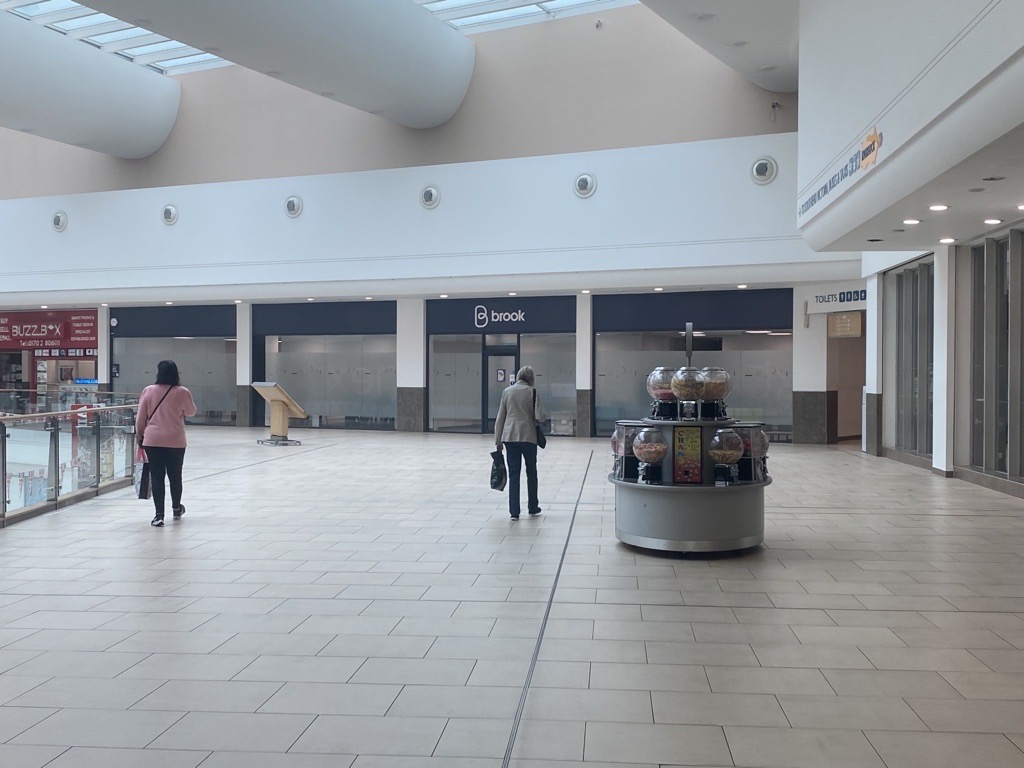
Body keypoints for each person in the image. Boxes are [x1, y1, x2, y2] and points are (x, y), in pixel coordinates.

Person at [135, 360, 197, 527]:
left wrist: (139, 435)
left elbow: (141, 418)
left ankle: (159, 515)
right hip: (175, 440)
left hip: (153, 440)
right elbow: (191, 412)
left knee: (157, 477)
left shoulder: (149, 390)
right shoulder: (182, 392)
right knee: (175, 476)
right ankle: (176, 508)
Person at [494, 365, 544, 520]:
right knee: (531, 472)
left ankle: (514, 512)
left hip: (510, 437)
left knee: (514, 474)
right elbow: (541, 416)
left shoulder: (507, 392)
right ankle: (533, 506)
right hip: (529, 436)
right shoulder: (533, 392)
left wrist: (498, 440)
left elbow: (500, 418)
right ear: (531, 379)